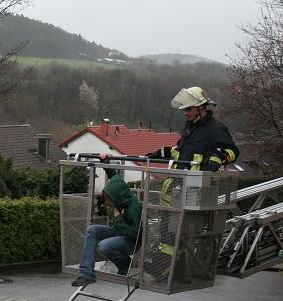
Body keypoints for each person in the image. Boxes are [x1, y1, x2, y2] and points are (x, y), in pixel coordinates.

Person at [72, 153, 142, 287]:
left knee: (104, 246)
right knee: (92, 230)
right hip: (121, 232)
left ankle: (125, 264)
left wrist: (119, 218)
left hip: (132, 241)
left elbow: (135, 233)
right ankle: (87, 274)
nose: (109, 205)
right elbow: (114, 177)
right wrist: (105, 161)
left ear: (116, 197)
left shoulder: (134, 207)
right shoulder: (122, 193)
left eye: (110, 201)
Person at [147, 86, 239, 171]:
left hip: (200, 181)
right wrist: (163, 152)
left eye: (189, 109)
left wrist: (219, 156)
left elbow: (233, 152)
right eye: (184, 109)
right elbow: (185, 150)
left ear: (201, 107)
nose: (185, 113)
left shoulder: (216, 128)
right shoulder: (189, 126)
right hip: (178, 178)